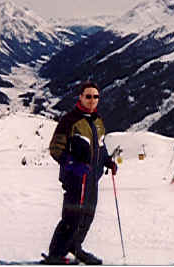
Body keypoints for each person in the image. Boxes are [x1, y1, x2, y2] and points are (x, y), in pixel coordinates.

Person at [44, 81, 117, 265]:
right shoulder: (70, 120)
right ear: (81, 97)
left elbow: (100, 145)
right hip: (75, 179)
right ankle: (56, 254)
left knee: (87, 215)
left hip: (92, 178)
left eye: (96, 97)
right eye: (88, 96)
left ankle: (75, 246)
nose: (92, 100)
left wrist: (108, 161)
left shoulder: (97, 121)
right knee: (72, 217)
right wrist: (72, 164)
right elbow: (55, 148)